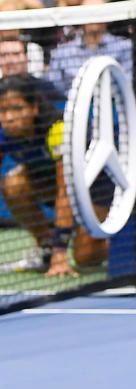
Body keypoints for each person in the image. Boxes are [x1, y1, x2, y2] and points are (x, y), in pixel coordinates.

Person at [0, 73, 106, 276]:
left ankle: (128, 247)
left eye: (17, 108)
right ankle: (45, 248)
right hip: (48, 182)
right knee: (13, 184)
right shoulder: (3, 133)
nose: (9, 117)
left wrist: (61, 254)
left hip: (97, 188)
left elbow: (65, 193)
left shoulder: (57, 130)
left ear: (34, 108)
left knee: (84, 257)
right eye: (3, 110)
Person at [46, 0, 133, 95]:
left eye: (98, 12)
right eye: (89, 12)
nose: (94, 17)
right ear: (79, 17)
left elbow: (127, 86)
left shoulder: (125, 47)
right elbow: (56, 92)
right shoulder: (62, 53)